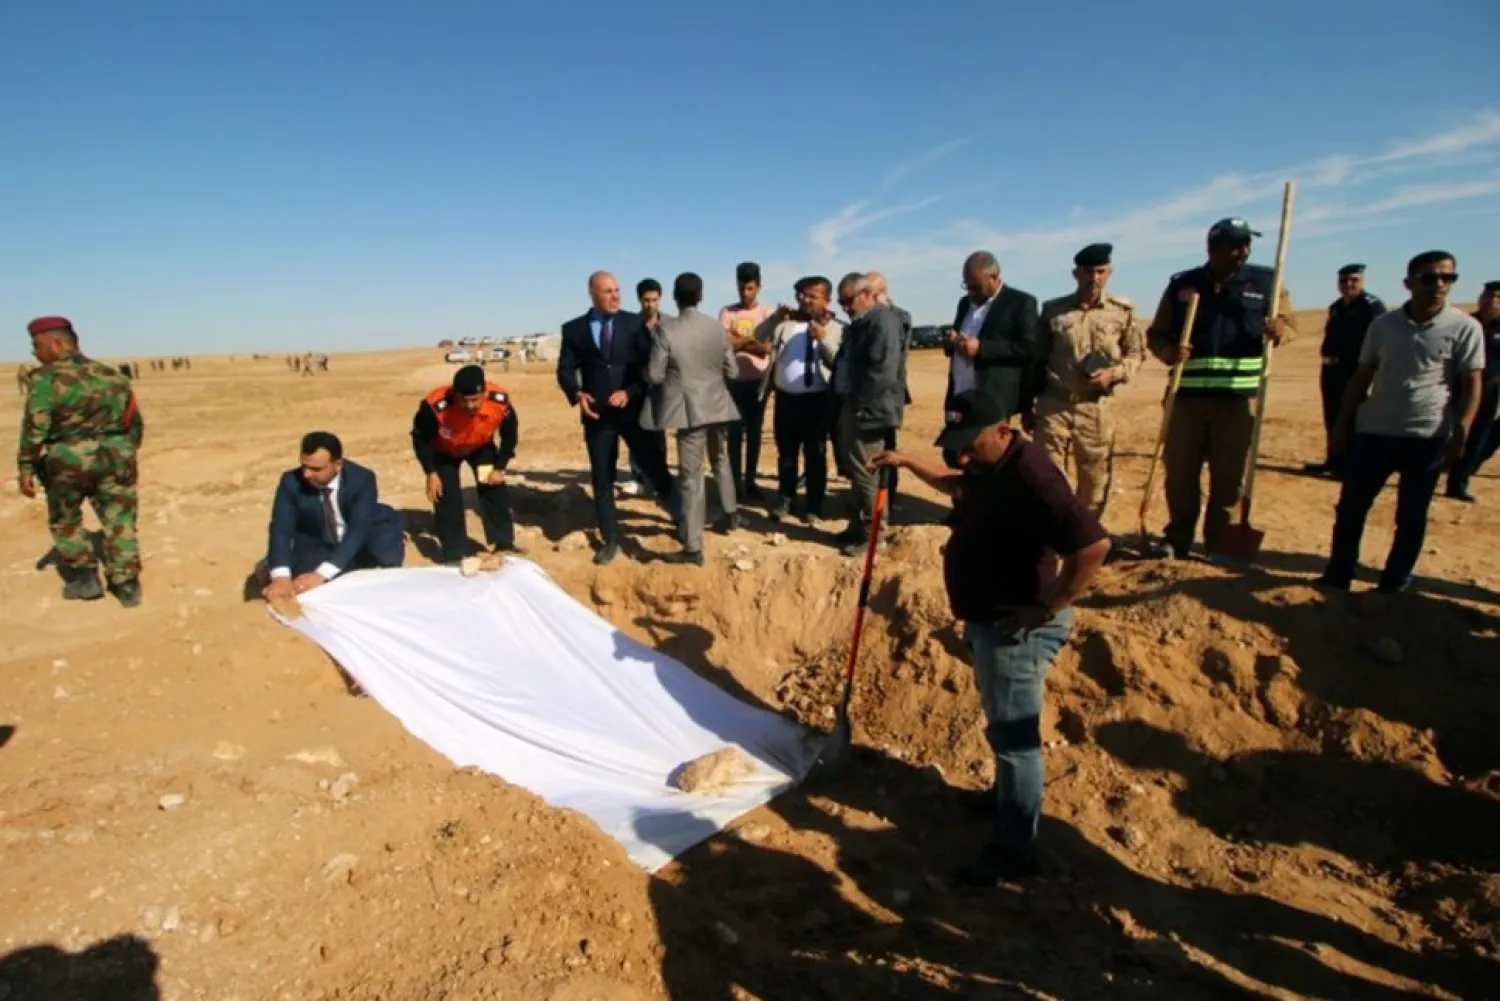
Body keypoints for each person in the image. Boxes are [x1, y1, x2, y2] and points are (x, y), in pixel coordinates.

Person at [870, 390, 1110, 885]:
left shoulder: (1033, 477)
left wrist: (1047, 608)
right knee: (1001, 722)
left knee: (1016, 741)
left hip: (1015, 626)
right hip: (989, 619)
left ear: (1003, 430)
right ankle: (1004, 799)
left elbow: (1093, 545)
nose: (961, 455)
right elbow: (957, 484)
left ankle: (1015, 846)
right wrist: (906, 461)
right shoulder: (989, 466)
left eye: (970, 444)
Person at [1320, 251, 1483, 592]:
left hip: (1427, 436)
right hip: (1375, 431)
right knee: (1352, 507)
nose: (1438, 285)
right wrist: (1340, 424)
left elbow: (1471, 383)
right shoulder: (1382, 326)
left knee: (1411, 515)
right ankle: (1339, 575)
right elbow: (1361, 376)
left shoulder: (1465, 328)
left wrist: (1462, 430)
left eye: (1447, 278)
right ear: (1409, 284)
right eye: (1428, 278)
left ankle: (1395, 583)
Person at [1144, 217, 1296, 558]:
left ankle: (1219, 543)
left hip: (1238, 401)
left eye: (1245, 244)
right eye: (1234, 245)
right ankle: (1177, 539)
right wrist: (1168, 351)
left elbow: (1292, 326)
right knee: (1180, 476)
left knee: (1228, 480)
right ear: (1212, 249)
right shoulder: (1184, 285)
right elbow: (1156, 334)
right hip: (1187, 398)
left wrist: (1280, 330)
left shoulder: (1267, 283)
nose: (1243, 250)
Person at [16, 316, 145, 606]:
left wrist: (26, 465)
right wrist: (124, 454)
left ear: (58, 343)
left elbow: (36, 425)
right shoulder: (113, 376)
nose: (35, 353)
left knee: (66, 518)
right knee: (120, 520)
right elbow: (133, 422)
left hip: (67, 461)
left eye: (37, 346)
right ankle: (126, 584)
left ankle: (85, 580)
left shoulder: (46, 379)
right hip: (116, 457)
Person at [557, 270, 678, 565]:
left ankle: (684, 522)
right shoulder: (573, 329)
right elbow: (565, 369)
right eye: (608, 291)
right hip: (598, 417)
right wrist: (576, 393)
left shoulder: (633, 323)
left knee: (656, 468)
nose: (615, 296)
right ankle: (610, 539)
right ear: (593, 294)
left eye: (617, 290)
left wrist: (630, 391)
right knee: (602, 477)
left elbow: (648, 367)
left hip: (632, 413)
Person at [1033, 243, 1144, 519]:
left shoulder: (1122, 311)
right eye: (1087, 272)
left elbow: (1136, 354)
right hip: (1054, 404)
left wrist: (1114, 374)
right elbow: (1037, 357)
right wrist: (1029, 405)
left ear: (1109, 273)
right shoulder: (1053, 311)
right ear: (1076, 273)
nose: (1093, 278)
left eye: (1100, 272)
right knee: (1048, 477)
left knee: (1094, 479)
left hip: (1095, 408)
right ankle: (1054, 537)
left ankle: (1085, 537)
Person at [643, 273, 742, 566]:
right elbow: (733, 371)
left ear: (674, 297)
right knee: (721, 459)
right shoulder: (716, 328)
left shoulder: (666, 329)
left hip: (690, 410)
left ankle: (693, 545)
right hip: (718, 404)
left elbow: (656, 374)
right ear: (700, 295)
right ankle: (730, 513)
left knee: (691, 477)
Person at [263, 431, 405, 600]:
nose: (306, 474)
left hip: (367, 528)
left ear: (338, 465)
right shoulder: (291, 481)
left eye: (315, 469)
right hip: (321, 539)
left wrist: (322, 574)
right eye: (304, 466)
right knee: (302, 581)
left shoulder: (361, 479)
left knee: (387, 558)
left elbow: (358, 529)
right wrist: (280, 575)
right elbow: (281, 528)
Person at [411, 364, 522, 562]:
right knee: (447, 496)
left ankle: (503, 542)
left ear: (484, 392)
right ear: (455, 395)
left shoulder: (499, 402)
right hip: (443, 451)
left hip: (480, 447)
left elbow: (510, 435)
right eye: (464, 400)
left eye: (475, 400)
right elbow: (419, 437)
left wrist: (500, 467)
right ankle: (454, 552)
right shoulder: (435, 405)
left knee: (493, 488)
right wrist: (431, 472)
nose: (470, 406)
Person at [754, 276, 842, 523]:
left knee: (815, 455)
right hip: (786, 400)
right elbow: (758, 335)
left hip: (817, 401)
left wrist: (823, 338)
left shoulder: (837, 328)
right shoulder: (787, 325)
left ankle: (814, 505)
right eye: (801, 295)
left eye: (811, 296)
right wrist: (774, 318)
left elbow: (838, 363)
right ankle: (785, 499)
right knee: (786, 454)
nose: (804, 300)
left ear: (826, 299)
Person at [940, 251, 1039, 467]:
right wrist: (953, 341)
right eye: (966, 286)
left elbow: (1029, 348)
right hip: (960, 394)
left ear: (994, 277)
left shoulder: (1021, 303)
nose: (970, 292)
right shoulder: (965, 304)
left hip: (992, 397)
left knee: (986, 458)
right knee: (956, 455)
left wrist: (983, 348)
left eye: (975, 286)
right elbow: (959, 338)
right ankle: (963, 501)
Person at [831, 272, 906, 555]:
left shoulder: (882, 322)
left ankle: (873, 534)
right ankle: (857, 527)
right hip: (855, 406)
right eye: (841, 302)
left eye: (848, 301)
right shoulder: (861, 324)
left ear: (865, 294)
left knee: (867, 472)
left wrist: (862, 405)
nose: (845, 307)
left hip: (870, 411)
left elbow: (883, 372)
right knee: (856, 472)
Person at [1306, 263, 1386, 477]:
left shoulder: (1371, 306)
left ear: (1362, 281)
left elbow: (1379, 339)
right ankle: (1333, 460)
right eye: (1343, 280)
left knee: (1351, 415)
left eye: (1354, 280)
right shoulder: (1336, 307)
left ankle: (1350, 465)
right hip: (1331, 369)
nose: (1348, 284)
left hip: (1355, 370)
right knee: (1331, 414)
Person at [718, 262, 775, 502]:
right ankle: (734, 483)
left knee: (753, 435)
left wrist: (739, 339)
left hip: (758, 384)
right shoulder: (727, 312)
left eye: (750, 288)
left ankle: (750, 482)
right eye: (742, 288)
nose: (745, 293)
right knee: (733, 436)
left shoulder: (767, 314)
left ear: (759, 287)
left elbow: (767, 349)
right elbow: (723, 344)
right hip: (733, 383)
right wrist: (753, 340)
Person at [1444, 279, 1500, 502]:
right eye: (1488, 297)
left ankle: (1458, 483)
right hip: (1459, 387)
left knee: (1478, 437)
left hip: (1489, 388)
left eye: (1497, 298)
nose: (1492, 302)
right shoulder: (1467, 324)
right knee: (1449, 432)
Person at [867, 270, 913, 496]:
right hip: (868, 394)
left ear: (882, 293)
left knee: (887, 448)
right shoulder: (868, 315)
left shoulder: (899, 317)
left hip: (889, 395)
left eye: (870, 293)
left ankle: (888, 498)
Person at [626, 278, 671, 499]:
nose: (650, 305)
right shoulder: (630, 325)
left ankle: (659, 476)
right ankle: (637, 476)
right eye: (646, 300)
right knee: (636, 433)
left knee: (658, 434)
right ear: (639, 300)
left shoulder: (670, 325)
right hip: (636, 387)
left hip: (662, 388)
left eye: (654, 300)